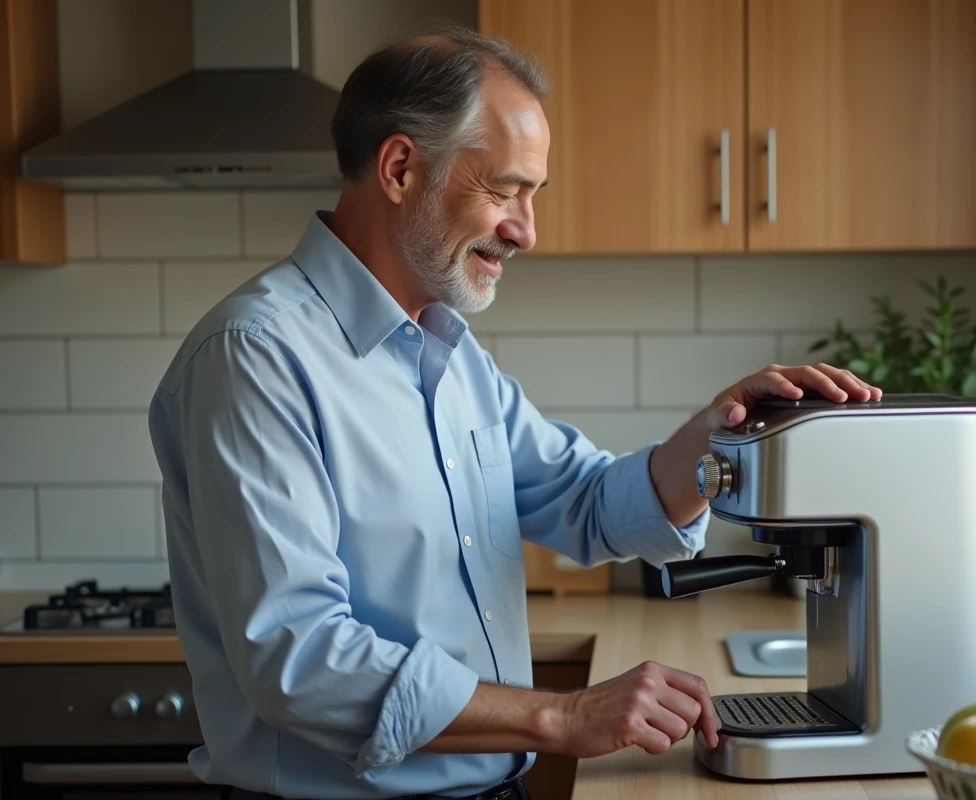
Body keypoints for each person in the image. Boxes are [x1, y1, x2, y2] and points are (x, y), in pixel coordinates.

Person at [147, 24, 882, 800]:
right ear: (400, 168)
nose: (526, 230)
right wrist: (562, 717)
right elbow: (298, 659)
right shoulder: (258, 356)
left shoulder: (450, 355)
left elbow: (589, 503)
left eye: (531, 196)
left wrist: (719, 432)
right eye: (505, 190)